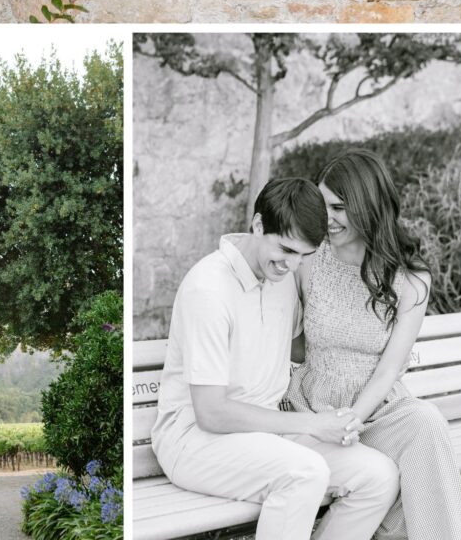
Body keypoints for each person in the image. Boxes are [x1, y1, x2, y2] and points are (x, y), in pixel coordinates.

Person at [151, 177, 400, 540]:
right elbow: (211, 413)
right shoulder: (209, 289)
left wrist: (381, 347)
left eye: (303, 255)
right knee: (305, 473)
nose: (291, 265)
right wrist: (313, 424)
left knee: (378, 476)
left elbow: (306, 348)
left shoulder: (282, 279)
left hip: (268, 431)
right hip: (193, 441)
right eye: (284, 249)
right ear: (257, 225)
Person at [287, 148, 461, 540]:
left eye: (338, 208)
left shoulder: (411, 278)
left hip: (379, 412)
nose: (327, 219)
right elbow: (291, 344)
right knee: (416, 478)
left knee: (427, 423)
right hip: (314, 406)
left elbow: (389, 369)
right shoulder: (307, 261)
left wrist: (354, 418)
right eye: (323, 207)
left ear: (367, 206)